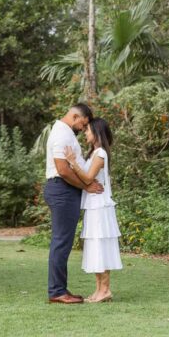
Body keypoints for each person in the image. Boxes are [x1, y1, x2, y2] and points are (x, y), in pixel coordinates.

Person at [43, 103, 103, 304]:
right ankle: (57, 292)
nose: (82, 128)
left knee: (63, 242)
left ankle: (60, 289)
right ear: (75, 116)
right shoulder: (61, 134)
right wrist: (86, 186)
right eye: (82, 124)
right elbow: (63, 169)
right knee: (61, 242)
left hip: (65, 190)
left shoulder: (65, 132)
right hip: (62, 190)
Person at [64, 116, 122, 302]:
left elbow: (88, 178)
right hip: (93, 206)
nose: (85, 133)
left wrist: (72, 162)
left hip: (100, 207)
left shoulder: (101, 154)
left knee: (101, 247)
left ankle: (105, 290)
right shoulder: (94, 153)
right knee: (96, 248)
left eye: (88, 130)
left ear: (96, 132)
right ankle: (99, 290)